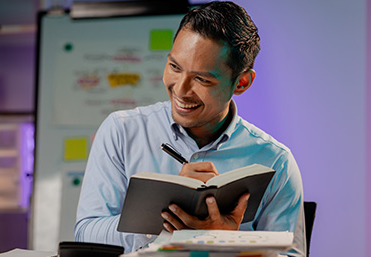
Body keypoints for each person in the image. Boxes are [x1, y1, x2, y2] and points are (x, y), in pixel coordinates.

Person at [74, 1, 305, 256]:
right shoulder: (121, 132)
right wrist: (163, 219)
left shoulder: (276, 163)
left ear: (241, 83)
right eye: (174, 67)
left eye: (201, 79)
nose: (180, 90)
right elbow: (86, 233)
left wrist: (230, 244)